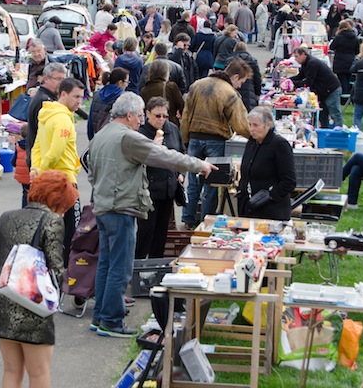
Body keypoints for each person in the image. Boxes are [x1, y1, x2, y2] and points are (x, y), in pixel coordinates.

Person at [88, 92, 216, 337]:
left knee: (105, 264)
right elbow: (164, 156)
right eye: (138, 116)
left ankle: (100, 316)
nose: (139, 121)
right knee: (120, 268)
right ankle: (111, 321)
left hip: (103, 206)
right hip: (120, 209)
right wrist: (198, 164)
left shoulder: (101, 134)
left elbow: (90, 169)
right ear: (129, 115)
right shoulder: (128, 137)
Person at [0, 170, 78, 388]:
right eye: (64, 206)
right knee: (39, 373)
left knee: (11, 371)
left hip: (3, 299)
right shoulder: (52, 220)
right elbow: (56, 267)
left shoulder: (6, 217)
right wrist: (72, 286)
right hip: (33, 303)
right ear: (57, 201)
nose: (64, 212)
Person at [181, 60, 252, 228]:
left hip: (194, 138)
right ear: (235, 77)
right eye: (241, 82)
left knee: (193, 183)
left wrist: (185, 139)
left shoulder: (197, 85)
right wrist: (255, 136)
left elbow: (185, 116)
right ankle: (206, 223)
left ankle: (188, 220)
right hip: (216, 141)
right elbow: (240, 124)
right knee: (211, 185)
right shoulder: (230, 93)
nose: (240, 86)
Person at [31, 78, 84, 267]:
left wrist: (37, 171)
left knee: (48, 228)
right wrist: (42, 170)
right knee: (71, 231)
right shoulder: (62, 119)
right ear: (63, 94)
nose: (80, 101)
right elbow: (56, 150)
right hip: (65, 182)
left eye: (81, 97)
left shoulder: (47, 115)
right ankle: (67, 274)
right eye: (76, 97)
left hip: (47, 182)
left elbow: (37, 146)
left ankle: (48, 268)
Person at [135, 97, 186, 259]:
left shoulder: (172, 129)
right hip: (148, 191)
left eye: (165, 116)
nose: (162, 119)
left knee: (161, 231)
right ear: (148, 114)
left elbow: (181, 153)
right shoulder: (141, 133)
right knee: (146, 230)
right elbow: (137, 160)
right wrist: (153, 146)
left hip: (168, 189)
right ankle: (137, 264)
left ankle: (156, 264)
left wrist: (180, 173)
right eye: (158, 116)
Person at [237, 106, 297, 220]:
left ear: (268, 125)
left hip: (271, 211)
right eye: (250, 125)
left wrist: (270, 196)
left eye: (256, 125)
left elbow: (289, 181)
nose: (252, 129)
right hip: (248, 209)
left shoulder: (279, 145)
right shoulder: (251, 142)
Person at [26, 62, 67, 168]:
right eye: (58, 79)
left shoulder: (47, 97)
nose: (62, 83)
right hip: (42, 161)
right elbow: (44, 135)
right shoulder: (44, 102)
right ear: (46, 79)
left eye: (64, 79)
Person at [291, 47, 343, 128]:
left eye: (297, 56)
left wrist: (293, 84)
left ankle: (339, 134)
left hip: (331, 90)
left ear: (304, 54)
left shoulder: (312, 63)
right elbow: (300, 76)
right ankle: (325, 133)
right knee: (322, 115)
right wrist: (288, 80)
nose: (295, 59)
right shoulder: (305, 63)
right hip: (322, 91)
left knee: (335, 114)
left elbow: (308, 81)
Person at [87, 67, 128, 140]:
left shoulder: (97, 95)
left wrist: (91, 138)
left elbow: (90, 119)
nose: (127, 85)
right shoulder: (124, 98)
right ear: (120, 82)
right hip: (113, 139)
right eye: (127, 82)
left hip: (97, 137)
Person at [140, 60, 184, 127]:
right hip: (170, 125)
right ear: (166, 73)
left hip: (151, 125)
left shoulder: (144, 90)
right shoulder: (170, 86)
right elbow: (182, 106)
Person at [227, 42, 261, 111]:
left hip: (232, 90)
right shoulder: (252, 61)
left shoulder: (229, 60)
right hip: (249, 91)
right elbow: (257, 79)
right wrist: (257, 93)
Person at [329, 20, 359, 95]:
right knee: (348, 79)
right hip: (350, 60)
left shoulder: (339, 37)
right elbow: (357, 51)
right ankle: (348, 95)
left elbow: (332, 47)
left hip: (340, 60)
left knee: (342, 80)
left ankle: (344, 96)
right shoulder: (355, 38)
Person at [13, 123, 31, 207]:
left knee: (25, 193)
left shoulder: (18, 146)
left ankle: (24, 209)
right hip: (32, 174)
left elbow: (13, 161)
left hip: (22, 176)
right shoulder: (34, 145)